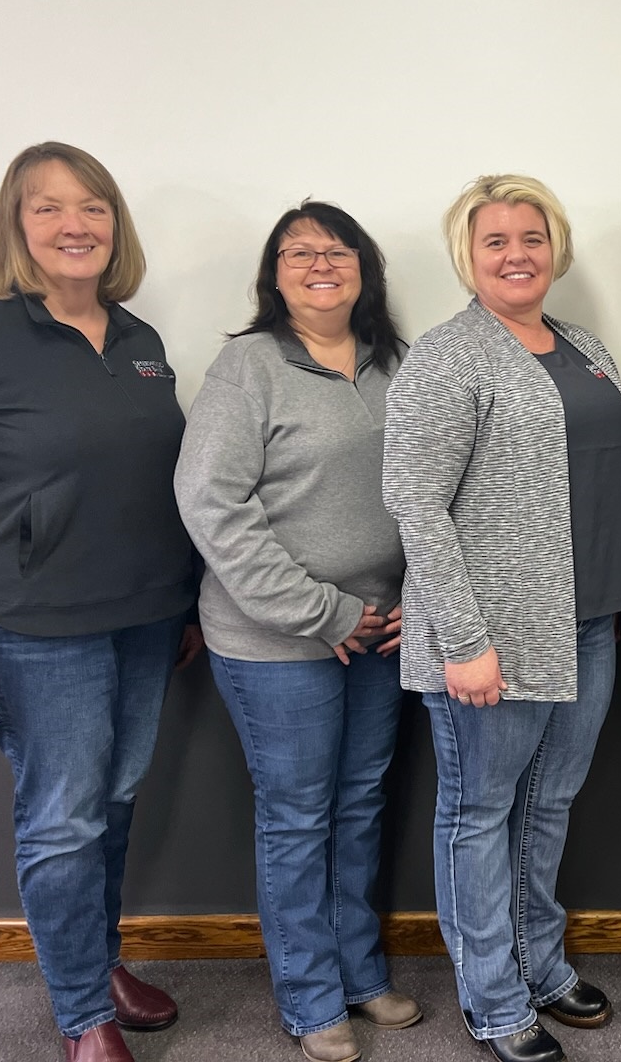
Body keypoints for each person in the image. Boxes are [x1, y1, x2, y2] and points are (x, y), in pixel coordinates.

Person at [0, 143, 199, 1062]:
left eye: (94, 207)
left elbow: (162, 484)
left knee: (112, 803)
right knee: (63, 819)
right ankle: (82, 1012)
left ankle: (96, 959)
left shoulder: (139, 341)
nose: (76, 225)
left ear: (115, 224)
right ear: (15, 225)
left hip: (147, 620)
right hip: (35, 631)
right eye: (49, 208)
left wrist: (184, 605)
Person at [383, 175, 621, 1062]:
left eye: (532, 237)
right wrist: (466, 641)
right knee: (481, 813)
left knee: (548, 805)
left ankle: (540, 962)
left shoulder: (586, 346)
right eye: (496, 241)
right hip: (491, 636)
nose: (517, 254)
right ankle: (493, 999)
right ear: (468, 254)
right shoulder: (447, 356)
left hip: (589, 620)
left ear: (554, 247)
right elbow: (416, 504)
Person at [174, 201, 419, 1062]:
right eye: (297, 252)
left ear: (365, 266)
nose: (319, 263)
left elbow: (438, 492)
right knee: (298, 818)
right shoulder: (247, 367)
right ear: (273, 276)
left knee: (359, 810)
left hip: (382, 633)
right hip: (276, 641)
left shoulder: (402, 363)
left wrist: (409, 606)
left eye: (337, 249)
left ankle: (358, 972)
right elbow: (213, 504)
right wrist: (322, 613)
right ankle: (311, 998)